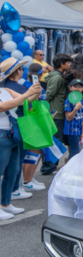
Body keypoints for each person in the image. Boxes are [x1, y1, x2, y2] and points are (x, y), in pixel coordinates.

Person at [0, 59, 41, 220]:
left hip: (12, 134)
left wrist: (34, 92)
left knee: (13, 170)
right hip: (2, 135)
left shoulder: (5, 90)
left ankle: (5, 203)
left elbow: (26, 100)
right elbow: (3, 107)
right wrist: (27, 94)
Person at [64, 79, 83, 160]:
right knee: (74, 152)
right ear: (70, 88)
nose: (78, 88)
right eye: (75, 86)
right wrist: (75, 109)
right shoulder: (68, 101)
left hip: (79, 130)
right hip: (71, 130)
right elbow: (68, 118)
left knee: (78, 151)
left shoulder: (82, 100)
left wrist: (82, 132)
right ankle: (68, 169)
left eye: (80, 86)